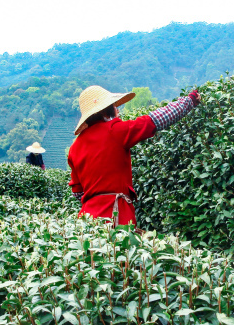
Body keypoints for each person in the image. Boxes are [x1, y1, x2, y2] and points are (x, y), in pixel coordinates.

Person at [67, 85, 201, 227]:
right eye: (113, 106)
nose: (117, 110)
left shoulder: (74, 148)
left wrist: (96, 197)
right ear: (105, 112)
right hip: (116, 216)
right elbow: (155, 121)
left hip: (86, 221)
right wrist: (190, 101)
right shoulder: (115, 131)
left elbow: (77, 192)